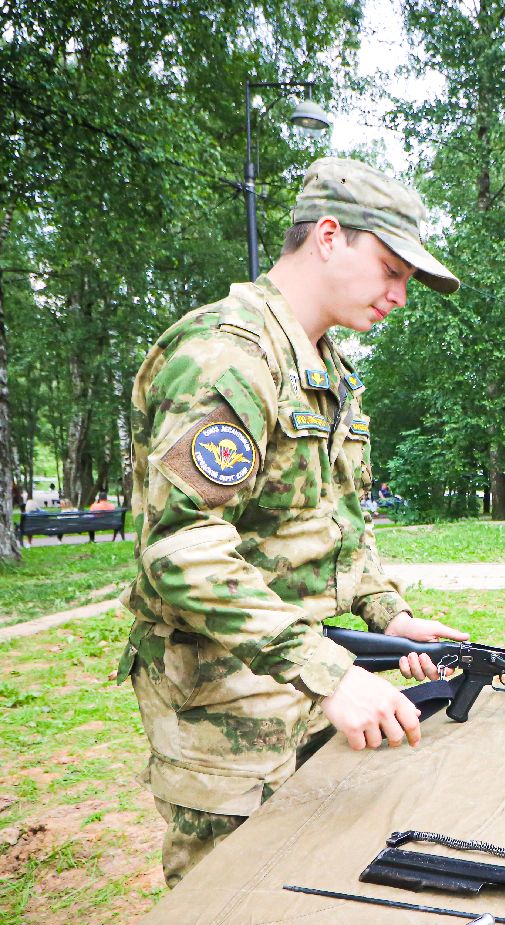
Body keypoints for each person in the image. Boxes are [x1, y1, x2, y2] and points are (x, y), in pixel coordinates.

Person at [122, 157, 469, 887]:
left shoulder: (325, 369)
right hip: (228, 708)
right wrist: (330, 674)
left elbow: (333, 520)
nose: (399, 296)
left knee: (307, 905)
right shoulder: (227, 355)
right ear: (330, 236)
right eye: (391, 269)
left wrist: (385, 614)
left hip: (311, 689)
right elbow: (183, 549)